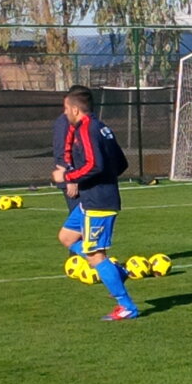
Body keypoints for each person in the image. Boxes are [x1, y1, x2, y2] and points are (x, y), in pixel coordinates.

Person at [51, 88, 139, 321]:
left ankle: (126, 305)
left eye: (66, 109)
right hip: (91, 198)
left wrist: (69, 177)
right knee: (67, 238)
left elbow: (95, 165)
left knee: (94, 255)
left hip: (98, 202)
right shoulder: (102, 127)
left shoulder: (87, 129)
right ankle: (117, 271)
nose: (65, 113)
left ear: (75, 109)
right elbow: (121, 163)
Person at [53, 85, 93, 212]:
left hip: (83, 178)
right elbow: (62, 153)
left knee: (81, 225)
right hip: (73, 180)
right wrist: (71, 179)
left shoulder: (86, 122)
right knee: (81, 222)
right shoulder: (64, 122)